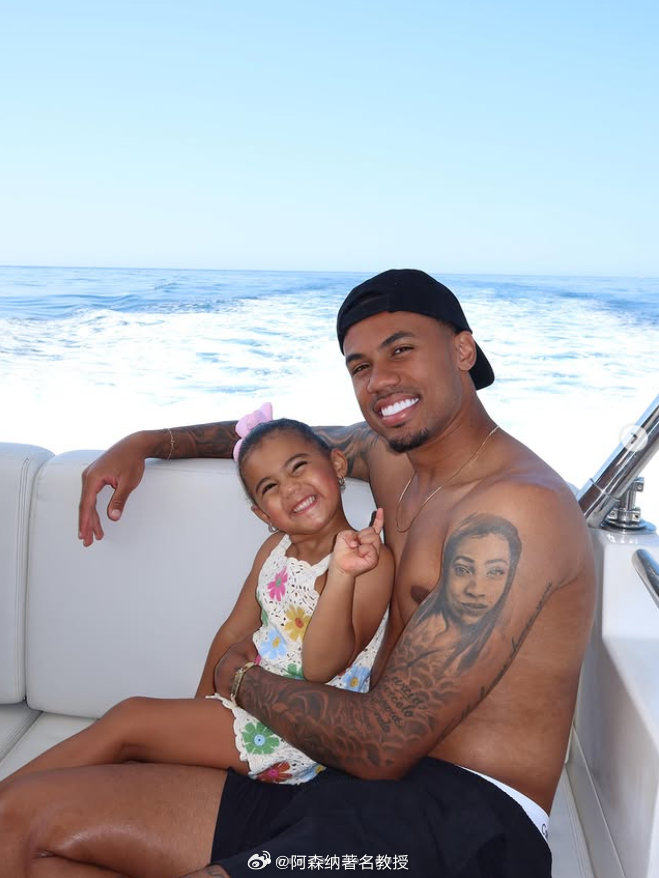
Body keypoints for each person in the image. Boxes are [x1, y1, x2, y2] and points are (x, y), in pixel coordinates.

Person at [0, 269, 595, 877]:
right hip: (329, 772)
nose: (379, 380)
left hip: (456, 817)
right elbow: (268, 443)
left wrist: (236, 678)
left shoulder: (516, 510)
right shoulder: (389, 456)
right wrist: (148, 440)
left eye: (401, 350)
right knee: (15, 829)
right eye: (360, 366)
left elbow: (382, 744)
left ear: (463, 350)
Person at [0, 416, 392, 791]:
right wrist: (202, 706)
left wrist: (341, 576)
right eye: (270, 487)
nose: (290, 489)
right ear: (262, 514)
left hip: (297, 737)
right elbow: (234, 630)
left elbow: (320, 668)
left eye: (298, 467)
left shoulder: (369, 563)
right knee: (131, 753)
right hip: (248, 707)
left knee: (129, 721)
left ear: (337, 464)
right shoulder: (275, 550)